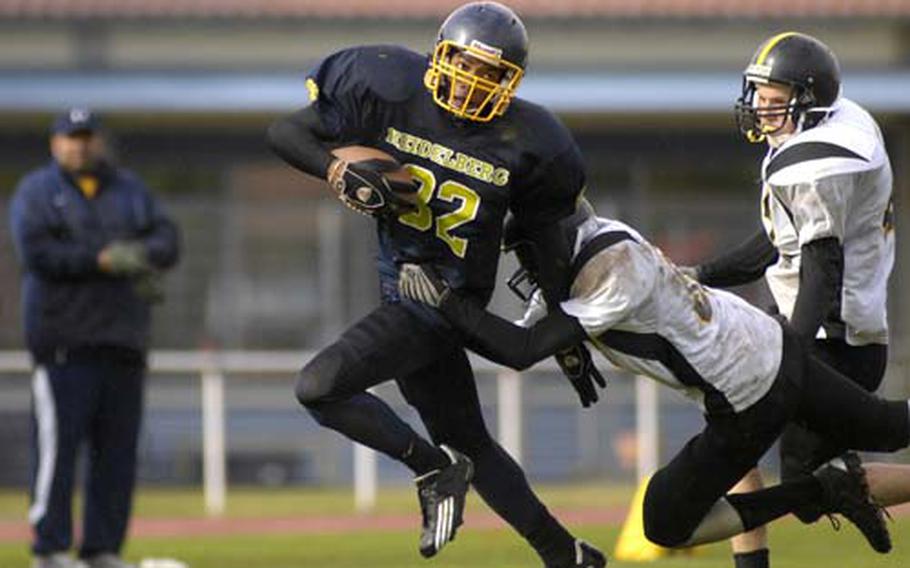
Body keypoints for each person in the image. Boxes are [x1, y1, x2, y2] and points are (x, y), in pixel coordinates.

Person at [266, 2, 606, 566]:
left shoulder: (534, 139)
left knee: (319, 386)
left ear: (513, 81)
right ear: (438, 54)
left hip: (444, 299)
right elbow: (286, 132)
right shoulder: (386, 83)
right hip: (403, 288)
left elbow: (543, 241)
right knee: (471, 440)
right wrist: (334, 168)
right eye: (466, 65)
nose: (474, 82)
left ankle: (431, 468)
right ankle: (566, 554)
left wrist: (562, 332)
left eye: (492, 74)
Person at [397, 201, 910, 561]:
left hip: (747, 393)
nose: (525, 266)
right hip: (767, 342)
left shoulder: (612, 271)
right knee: (888, 427)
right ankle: (824, 487)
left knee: (662, 522)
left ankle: (820, 491)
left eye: (526, 252)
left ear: (551, 243)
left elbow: (520, 350)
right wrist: (445, 324)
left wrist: (448, 305)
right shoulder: (594, 245)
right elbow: (515, 338)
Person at [683, 32, 908, 568]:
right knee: (730, 425)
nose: (760, 106)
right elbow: (779, 240)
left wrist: (791, 352)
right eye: (758, 93)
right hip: (807, 326)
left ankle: (851, 493)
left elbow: (822, 269)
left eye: (773, 95)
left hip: (836, 340)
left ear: (808, 101)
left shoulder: (818, 165)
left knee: (812, 491)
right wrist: (703, 273)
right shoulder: (822, 133)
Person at [9, 108, 181, 568]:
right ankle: (50, 550)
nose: (79, 145)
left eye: (86, 137)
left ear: (98, 141)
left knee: (116, 457)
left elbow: (168, 239)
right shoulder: (37, 192)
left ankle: (102, 550)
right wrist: (102, 259)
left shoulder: (130, 190)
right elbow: (38, 253)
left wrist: (141, 253)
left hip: (123, 341)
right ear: (55, 144)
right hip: (64, 342)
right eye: (70, 137)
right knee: (58, 453)